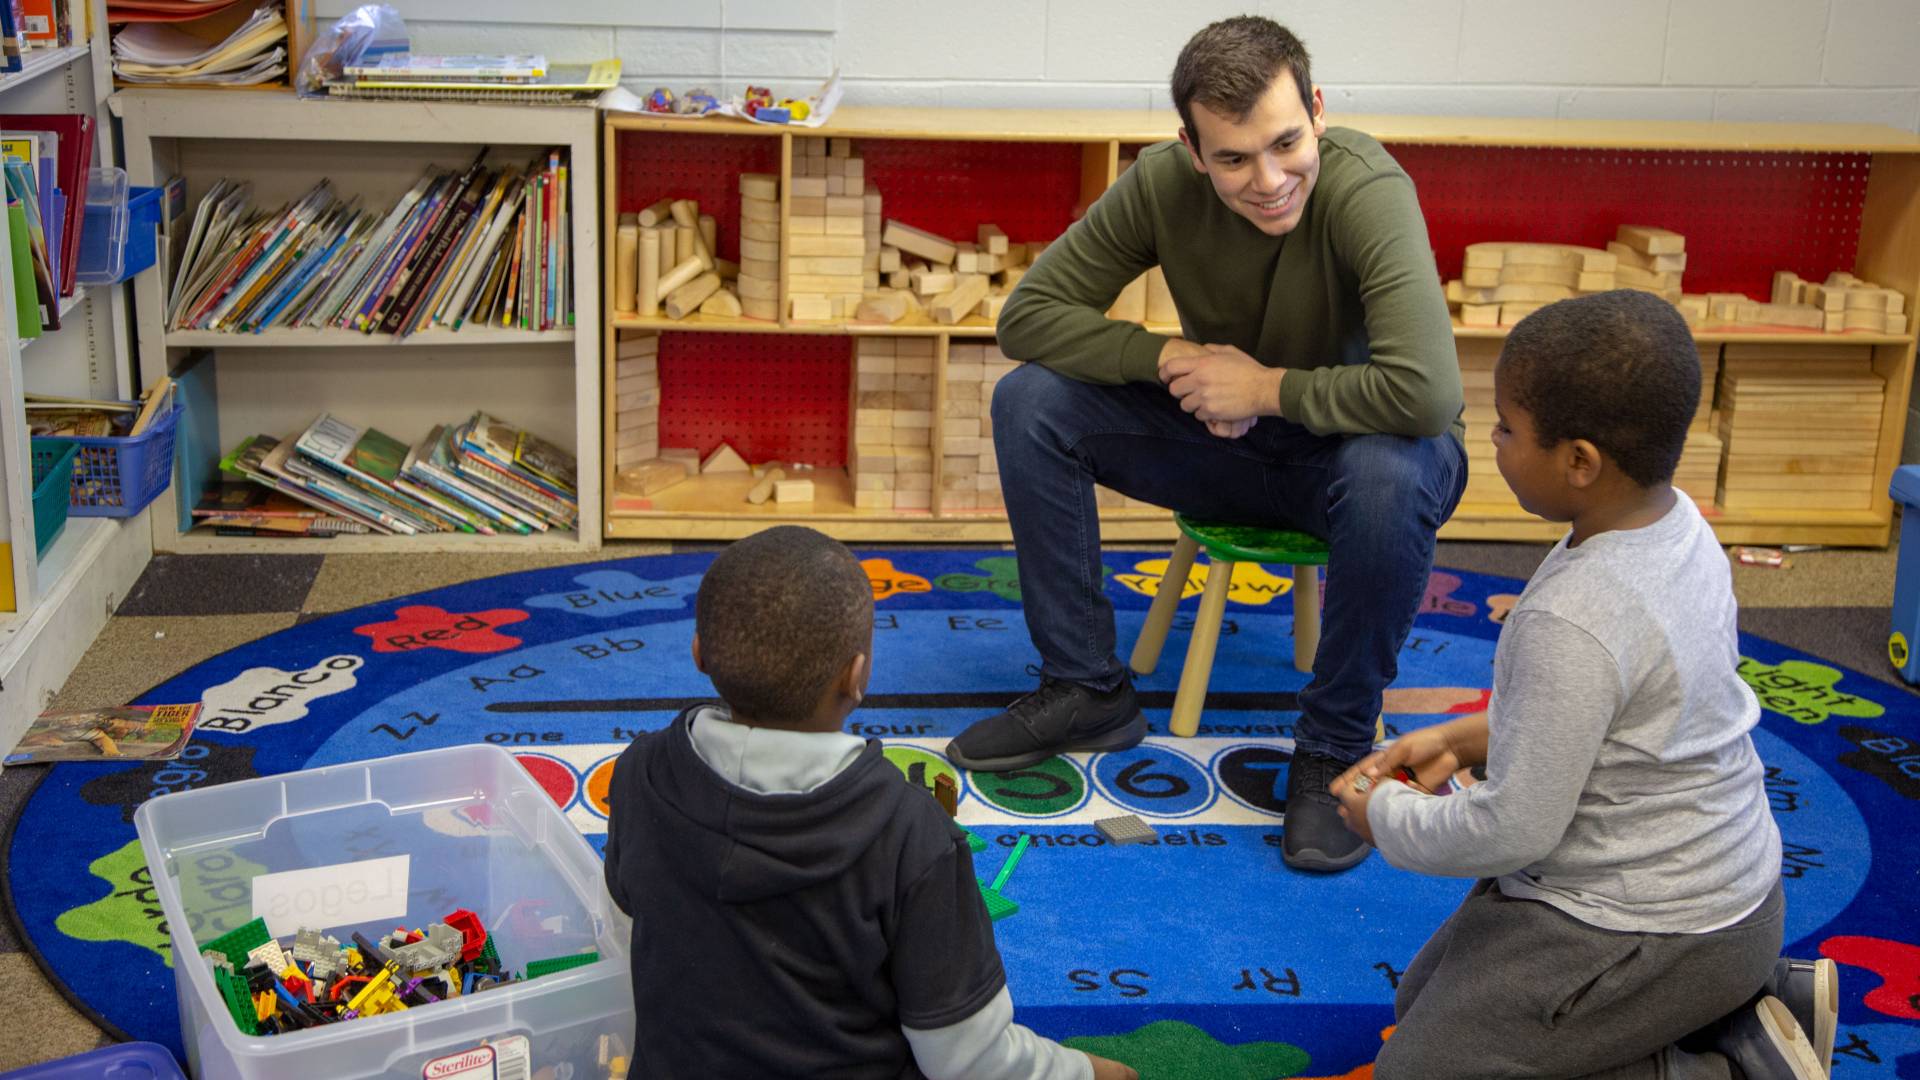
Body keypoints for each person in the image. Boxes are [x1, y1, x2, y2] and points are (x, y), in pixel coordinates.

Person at [944, 14, 1467, 873]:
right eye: (1233, 159)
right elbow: (1027, 318)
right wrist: (1171, 358)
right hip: (1231, 448)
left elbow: (1425, 394)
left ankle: (1335, 747)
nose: (1268, 179)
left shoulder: (1369, 187)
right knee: (1030, 402)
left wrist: (1264, 387)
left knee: (1387, 471)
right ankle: (1085, 689)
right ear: (1193, 149)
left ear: (1319, 113)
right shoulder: (1160, 184)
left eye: (1286, 143)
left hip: (1367, 460)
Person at [1331, 291, 1838, 1080]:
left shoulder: (1573, 618)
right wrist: (1466, 735)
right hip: (1734, 896)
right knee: (1420, 1004)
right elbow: (1638, 709)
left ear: (1579, 461)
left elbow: (1513, 832)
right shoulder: (1681, 526)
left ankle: (1729, 1068)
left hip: (1653, 925)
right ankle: (1744, 1002)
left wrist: (1385, 818)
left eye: (1504, 427)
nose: (1493, 440)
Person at [602, 525, 1137, 1080]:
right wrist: (1091, 1072)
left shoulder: (638, 770)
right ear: (856, 677)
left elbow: (628, 927)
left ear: (698, 655)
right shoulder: (911, 834)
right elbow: (969, 1060)